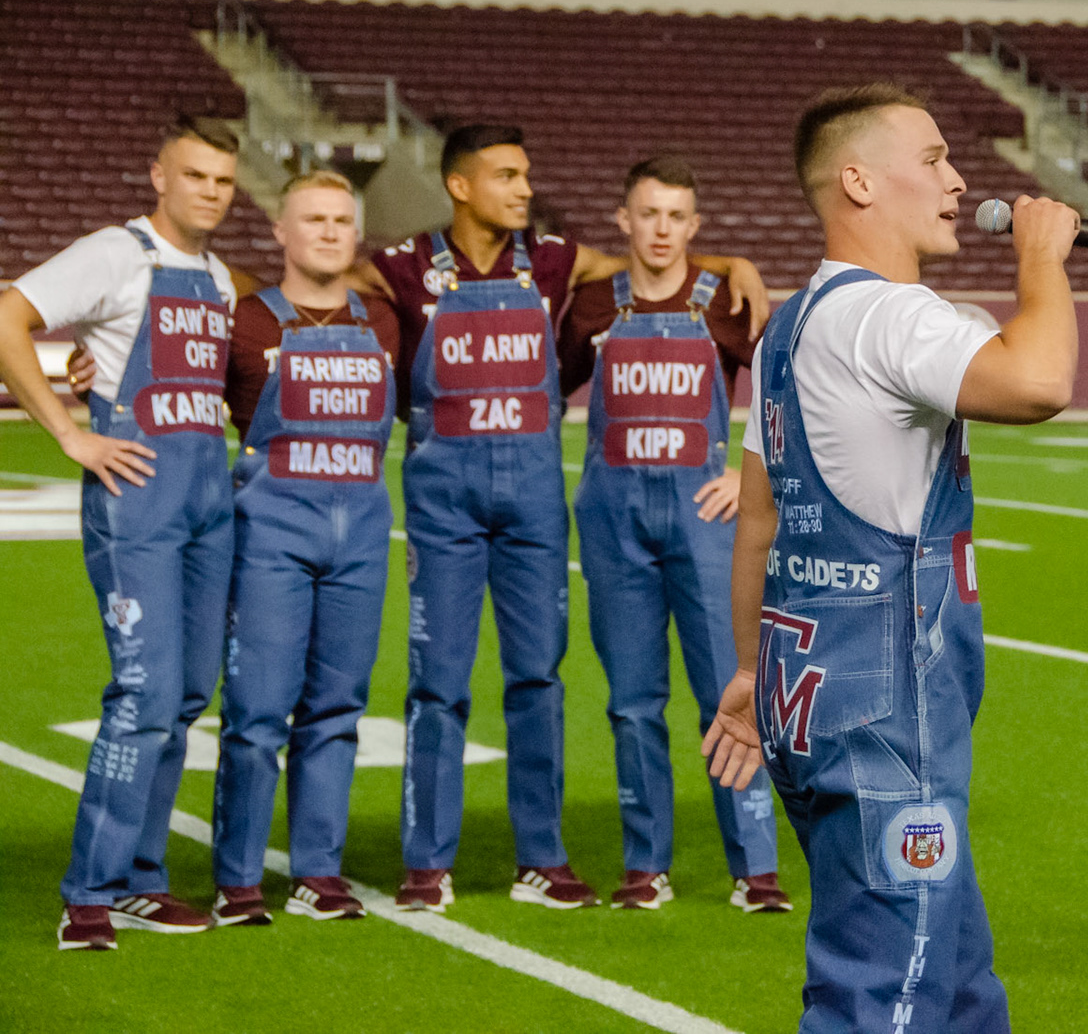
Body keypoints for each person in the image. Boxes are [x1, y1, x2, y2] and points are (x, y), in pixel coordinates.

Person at [701, 84, 1082, 1032]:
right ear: (859, 180)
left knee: (954, 982)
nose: (958, 182)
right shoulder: (890, 316)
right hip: (886, 713)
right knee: (886, 993)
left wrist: (749, 669)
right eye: (935, 158)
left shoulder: (792, 323)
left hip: (805, 686)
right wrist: (1042, 261)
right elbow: (1039, 380)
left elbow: (758, 523)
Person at [351, 123, 768, 913]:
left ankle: (541, 855)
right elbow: (322, 286)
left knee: (538, 677)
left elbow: (661, 263)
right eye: (508, 175)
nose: (525, 188)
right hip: (444, 505)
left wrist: (731, 264)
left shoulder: (553, 261)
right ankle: (426, 861)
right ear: (461, 186)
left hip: (537, 504)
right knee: (436, 684)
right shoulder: (403, 269)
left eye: (527, 174)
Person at [0, 116, 245, 950]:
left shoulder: (216, 277)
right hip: (136, 503)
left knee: (183, 697)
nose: (210, 191)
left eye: (222, 179)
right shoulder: (116, 251)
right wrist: (70, 431)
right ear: (159, 177)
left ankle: (143, 875)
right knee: (141, 693)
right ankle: (89, 892)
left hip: (209, 504)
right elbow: (8, 316)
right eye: (196, 175)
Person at [558, 155, 789, 913]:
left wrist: (752, 478)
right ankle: (643, 865)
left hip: (704, 518)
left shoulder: (724, 298)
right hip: (613, 521)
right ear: (624, 221)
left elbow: (793, 386)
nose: (661, 229)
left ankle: (756, 868)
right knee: (631, 701)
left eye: (676, 216)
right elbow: (543, 387)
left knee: (729, 692)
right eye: (647, 214)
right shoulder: (592, 304)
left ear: (695, 226)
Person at [208, 170, 401, 928]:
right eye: (312, 219)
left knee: (337, 710)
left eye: (341, 220)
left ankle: (318, 870)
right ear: (280, 233)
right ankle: (238, 878)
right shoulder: (243, 320)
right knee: (256, 712)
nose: (327, 231)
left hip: (362, 533)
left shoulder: (385, 321)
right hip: (271, 536)